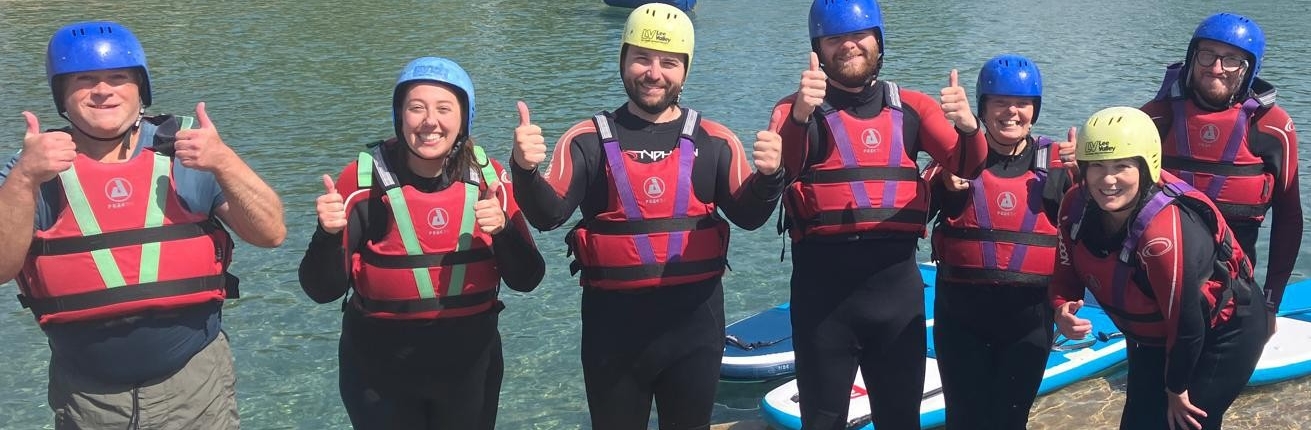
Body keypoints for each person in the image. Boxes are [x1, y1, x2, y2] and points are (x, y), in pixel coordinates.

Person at [510, 3, 785, 428]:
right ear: (623, 61)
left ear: (685, 71)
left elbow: (748, 216)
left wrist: (770, 177)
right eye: (641, 58)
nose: (653, 73)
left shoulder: (715, 140)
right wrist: (524, 169)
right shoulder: (586, 140)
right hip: (612, 340)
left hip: (695, 336)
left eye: (668, 62)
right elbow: (548, 215)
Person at [0, 21, 285, 428]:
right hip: (87, 394)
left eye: (118, 78)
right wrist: (25, 178)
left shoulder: (190, 150)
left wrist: (225, 162)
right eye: (84, 80)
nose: (103, 91)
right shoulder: (31, 166)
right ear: (61, 94)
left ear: (141, 90)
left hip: (194, 383)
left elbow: (271, 233)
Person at [765, 0, 988, 427]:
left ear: (879, 42)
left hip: (897, 304)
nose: (848, 45)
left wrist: (969, 126)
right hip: (823, 309)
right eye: (835, 38)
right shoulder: (793, 110)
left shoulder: (913, 108)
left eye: (859, 35)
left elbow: (968, 164)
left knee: (901, 420)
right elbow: (781, 172)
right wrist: (800, 117)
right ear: (817, 49)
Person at [298, 56, 544, 430]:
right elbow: (322, 290)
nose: (430, 121)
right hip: (378, 373)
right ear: (399, 116)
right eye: (416, 108)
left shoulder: (489, 179)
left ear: (464, 118)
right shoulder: (362, 182)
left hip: (468, 370)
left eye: (444, 109)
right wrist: (327, 235)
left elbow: (528, 278)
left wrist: (503, 230)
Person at [1051, 106, 1266, 430]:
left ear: (1146, 166)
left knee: (1181, 425)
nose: (1108, 179)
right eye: (1097, 166)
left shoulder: (1161, 237)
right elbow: (1065, 272)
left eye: (1122, 166)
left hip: (1221, 332)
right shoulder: (1074, 206)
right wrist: (1061, 308)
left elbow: (1188, 323)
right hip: (1155, 335)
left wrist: (1176, 389)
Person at [922, 54, 1073, 430]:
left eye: (1022, 103)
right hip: (961, 321)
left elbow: (1095, 234)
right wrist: (941, 186)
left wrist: (1086, 175)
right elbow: (907, 218)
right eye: (1000, 103)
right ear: (983, 108)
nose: (1011, 112)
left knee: (1010, 420)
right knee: (963, 420)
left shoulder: (1058, 165)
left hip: (1028, 322)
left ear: (1035, 109)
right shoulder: (953, 159)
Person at [1139, 12, 1300, 334]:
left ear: (1249, 68)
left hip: (1234, 296)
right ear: (1192, 57)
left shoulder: (1273, 127)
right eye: (1207, 54)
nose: (1216, 68)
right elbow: (1108, 189)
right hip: (1156, 293)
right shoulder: (1154, 118)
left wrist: (1271, 303)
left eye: (1231, 60)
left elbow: (1289, 219)